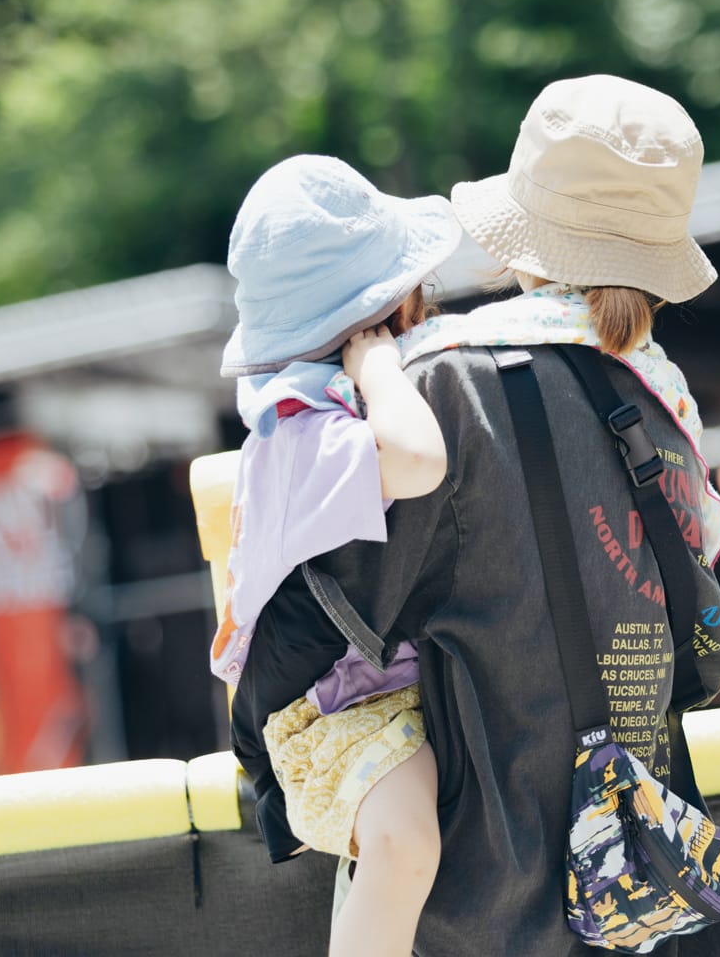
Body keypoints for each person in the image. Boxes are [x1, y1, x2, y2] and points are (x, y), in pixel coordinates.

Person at [307, 75, 720, 955]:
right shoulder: (663, 401)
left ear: (526, 240)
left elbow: (338, 614)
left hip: (489, 885)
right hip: (642, 885)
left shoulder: (447, 386)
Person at [213, 154, 460, 957]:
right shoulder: (304, 429)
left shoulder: (318, 417)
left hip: (379, 689)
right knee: (403, 843)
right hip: (328, 713)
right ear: (377, 318)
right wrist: (380, 367)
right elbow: (418, 461)